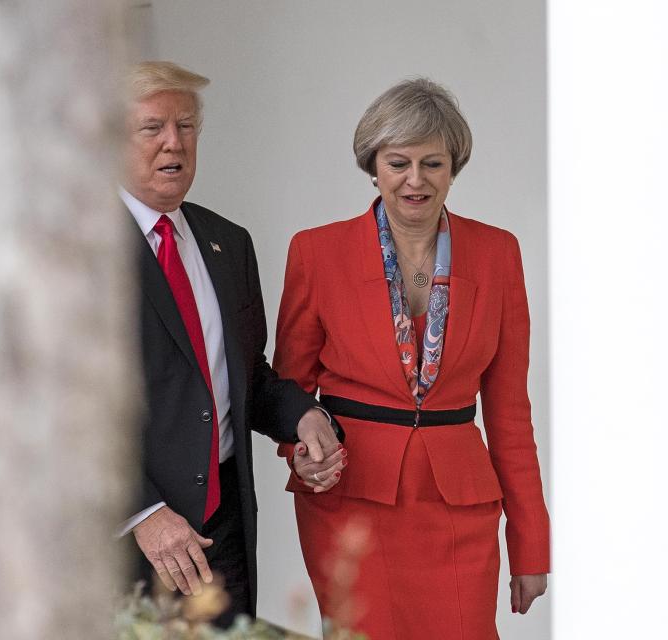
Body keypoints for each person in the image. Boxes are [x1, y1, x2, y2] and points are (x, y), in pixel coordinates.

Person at [274, 78, 550, 638]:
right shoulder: (316, 251)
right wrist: (299, 454)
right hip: (351, 501)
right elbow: (285, 390)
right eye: (398, 163)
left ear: (454, 168)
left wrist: (530, 543)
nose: (416, 180)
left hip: (460, 508)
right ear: (373, 166)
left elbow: (510, 415)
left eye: (434, 163)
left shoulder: (498, 253)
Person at [118, 61, 345, 628]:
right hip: (131, 543)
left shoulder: (228, 242)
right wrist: (142, 512)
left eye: (187, 126)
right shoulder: (79, 254)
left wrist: (304, 416)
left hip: (224, 530)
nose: (175, 142)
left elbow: (247, 374)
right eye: (153, 128)